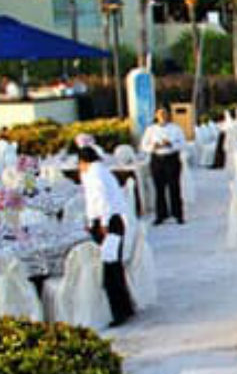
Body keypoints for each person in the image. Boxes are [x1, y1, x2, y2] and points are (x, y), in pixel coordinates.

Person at [78, 146, 134, 326]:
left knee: (110, 269)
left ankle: (119, 312)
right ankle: (126, 307)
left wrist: (103, 223)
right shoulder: (101, 171)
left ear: (83, 162)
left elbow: (102, 200)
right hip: (111, 220)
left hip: (108, 223)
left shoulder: (95, 175)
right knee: (115, 267)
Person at [140, 108, 185, 225]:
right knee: (159, 189)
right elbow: (144, 145)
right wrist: (153, 146)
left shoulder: (175, 128)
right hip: (157, 160)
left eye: (165, 113)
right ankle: (161, 215)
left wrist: (171, 144)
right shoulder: (151, 129)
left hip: (172, 159)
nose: (163, 116)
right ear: (156, 115)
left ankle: (178, 214)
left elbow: (182, 143)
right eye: (160, 114)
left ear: (169, 115)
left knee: (174, 188)